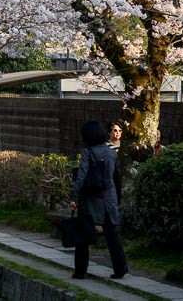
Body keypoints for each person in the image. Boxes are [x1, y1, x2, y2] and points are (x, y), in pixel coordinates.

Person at [69, 120, 128, 280]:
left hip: (89, 199)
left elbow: (81, 177)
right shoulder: (112, 153)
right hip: (109, 199)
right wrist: (118, 198)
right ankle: (120, 268)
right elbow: (118, 178)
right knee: (112, 235)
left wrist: (74, 196)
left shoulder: (88, 152)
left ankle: (80, 271)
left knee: (83, 237)